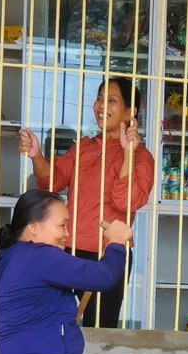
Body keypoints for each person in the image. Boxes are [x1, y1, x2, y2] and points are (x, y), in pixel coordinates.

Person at [0, 188, 155, 354]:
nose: (67, 234)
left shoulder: (12, 260)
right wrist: (115, 242)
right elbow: (103, 276)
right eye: (61, 225)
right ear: (34, 227)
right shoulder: (38, 256)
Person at [19, 77, 155, 330]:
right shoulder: (84, 146)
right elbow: (52, 181)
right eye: (100, 98)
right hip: (65, 250)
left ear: (130, 111)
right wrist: (37, 155)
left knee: (98, 330)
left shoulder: (142, 157)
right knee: (54, 323)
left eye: (112, 100)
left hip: (107, 255)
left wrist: (128, 152)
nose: (102, 105)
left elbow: (127, 202)